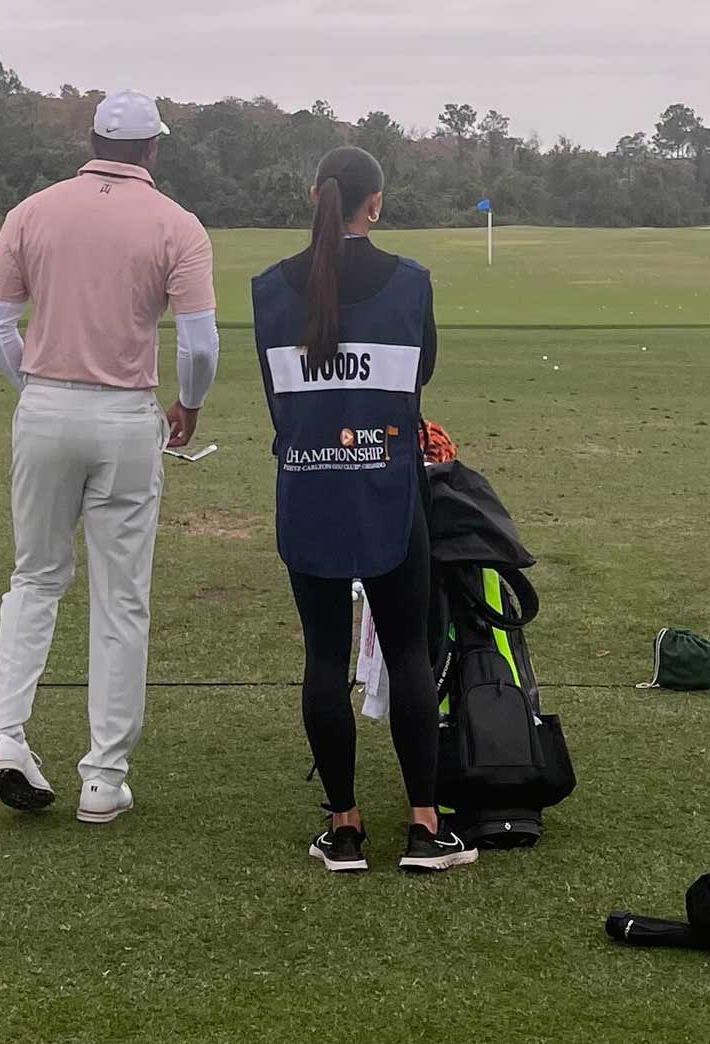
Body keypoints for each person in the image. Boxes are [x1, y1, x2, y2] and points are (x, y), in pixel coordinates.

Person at [0, 90, 219, 823]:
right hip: (125, 418)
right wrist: (190, 406)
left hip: (45, 409)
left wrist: (41, 385)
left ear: (91, 140)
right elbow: (200, 345)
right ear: (153, 150)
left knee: (36, 577)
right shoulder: (177, 224)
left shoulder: (33, 210)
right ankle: (103, 779)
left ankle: (8, 736)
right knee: (121, 599)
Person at [250, 146, 474, 874]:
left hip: (308, 488)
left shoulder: (268, 289)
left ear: (315, 195)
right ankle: (423, 825)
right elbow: (422, 371)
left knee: (323, 657)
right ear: (373, 205)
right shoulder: (410, 282)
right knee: (410, 652)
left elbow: (276, 397)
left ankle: (344, 829)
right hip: (389, 489)